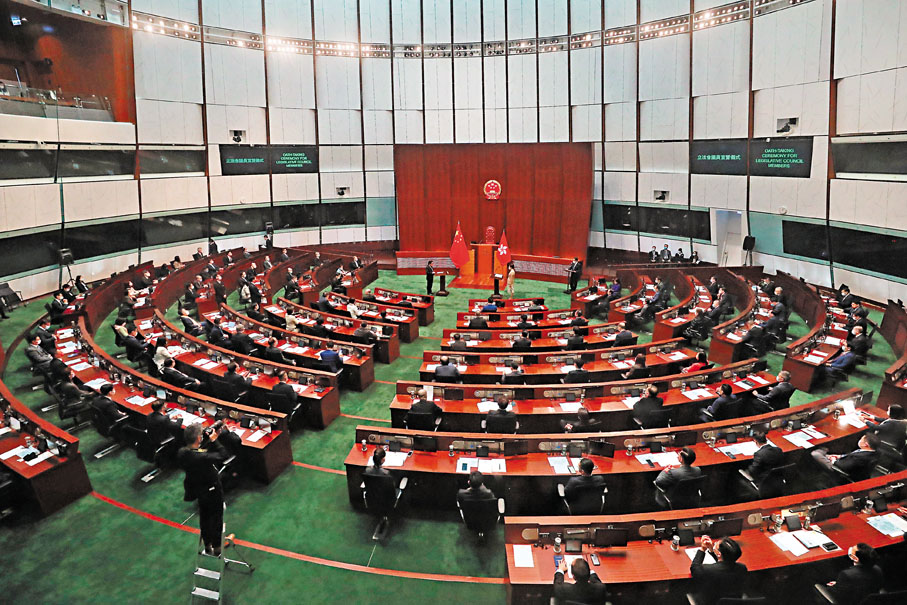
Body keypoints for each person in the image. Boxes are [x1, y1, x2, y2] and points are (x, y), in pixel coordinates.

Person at [177, 423, 230, 556]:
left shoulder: (183, 452)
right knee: (216, 517)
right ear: (198, 438)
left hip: (197, 489)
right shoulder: (202, 458)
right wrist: (215, 440)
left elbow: (199, 451)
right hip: (212, 488)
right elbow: (223, 455)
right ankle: (217, 546)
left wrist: (207, 440)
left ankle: (207, 544)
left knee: (205, 516)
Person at [689, 536, 747, 605]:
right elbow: (724, 562)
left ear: (719, 553)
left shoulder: (707, 570)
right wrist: (712, 550)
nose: (715, 543)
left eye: (716, 544)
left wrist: (702, 549)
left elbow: (694, 568)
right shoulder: (742, 568)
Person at [811, 433, 881, 482]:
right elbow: (852, 455)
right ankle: (823, 450)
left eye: (861, 439)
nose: (859, 440)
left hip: (838, 468)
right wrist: (839, 456)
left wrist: (833, 460)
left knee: (815, 454)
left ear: (866, 444)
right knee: (826, 453)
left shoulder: (859, 458)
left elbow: (842, 466)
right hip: (849, 463)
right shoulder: (875, 452)